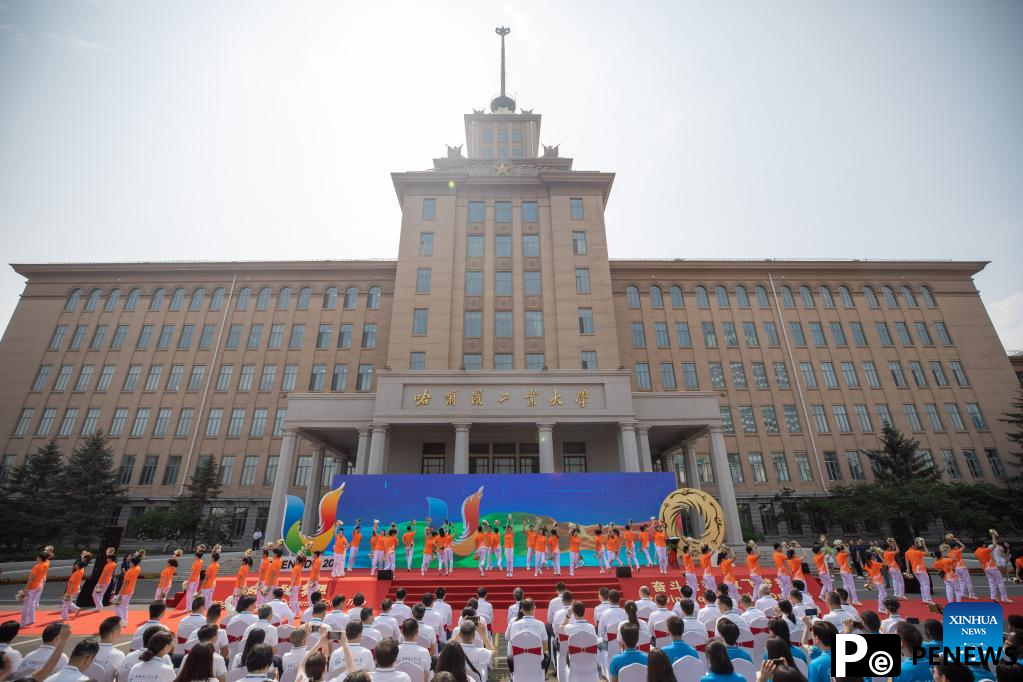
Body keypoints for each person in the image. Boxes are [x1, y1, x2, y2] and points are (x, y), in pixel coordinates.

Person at [977, 530, 1011, 603]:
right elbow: (994, 545)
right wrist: (993, 536)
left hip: (986, 568)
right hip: (992, 567)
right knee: (1000, 582)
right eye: (984, 544)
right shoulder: (985, 550)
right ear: (983, 545)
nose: (985, 545)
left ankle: (993, 596)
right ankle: (1004, 598)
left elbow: (981, 560)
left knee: (991, 582)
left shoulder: (976, 552)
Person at [905, 538, 934, 605]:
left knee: (922, 584)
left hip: (914, 570)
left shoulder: (906, 552)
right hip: (921, 570)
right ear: (912, 545)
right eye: (915, 545)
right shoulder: (917, 552)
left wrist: (908, 570)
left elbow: (907, 562)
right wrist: (924, 545)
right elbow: (927, 553)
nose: (916, 546)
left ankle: (924, 599)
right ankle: (928, 599)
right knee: (926, 584)